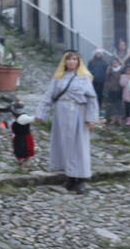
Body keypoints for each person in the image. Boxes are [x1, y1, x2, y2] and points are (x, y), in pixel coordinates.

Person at [34, 50, 101, 194]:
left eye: (74, 59)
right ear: (64, 61)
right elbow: (49, 96)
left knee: (79, 145)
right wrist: (41, 114)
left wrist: (91, 118)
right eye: (69, 59)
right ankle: (69, 176)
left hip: (78, 113)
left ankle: (81, 179)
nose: (71, 62)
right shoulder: (58, 78)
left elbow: (92, 99)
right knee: (64, 144)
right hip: (62, 114)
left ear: (79, 62)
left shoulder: (84, 78)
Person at [87, 48, 111, 116]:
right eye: (97, 53)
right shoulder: (91, 62)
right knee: (93, 95)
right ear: (95, 54)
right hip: (93, 81)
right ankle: (92, 109)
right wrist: (93, 74)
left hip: (101, 82)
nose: (98, 55)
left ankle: (99, 109)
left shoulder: (104, 62)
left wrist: (105, 78)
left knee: (100, 95)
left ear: (102, 55)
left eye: (100, 54)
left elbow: (107, 72)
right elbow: (88, 70)